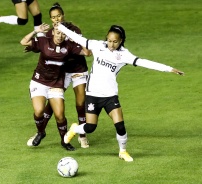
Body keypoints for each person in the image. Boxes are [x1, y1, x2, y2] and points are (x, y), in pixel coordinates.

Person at [57, 22, 184, 161]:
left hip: (110, 95)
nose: (111, 44)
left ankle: (122, 151)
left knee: (120, 126)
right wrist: (61, 27)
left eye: (115, 42)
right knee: (90, 127)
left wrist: (169, 68)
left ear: (121, 41)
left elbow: (144, 62)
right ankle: (75, 129)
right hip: (93, 94)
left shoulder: (124, 55)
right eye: (109, 40)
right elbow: (78, 39)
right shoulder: (98, 45)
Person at [26, 2, 90, 149]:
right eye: (53, 17)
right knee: (52, 105)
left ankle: (82, 135)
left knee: (80, 103)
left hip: (78, 68)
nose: (56, 19)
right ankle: (40, 132)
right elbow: (44, 48)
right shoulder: (50, 33)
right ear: (51, 19)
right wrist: (31, 48)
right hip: (61, 72)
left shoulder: (74, 30)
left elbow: (82, 49)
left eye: (59, 16)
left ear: (63, 15)